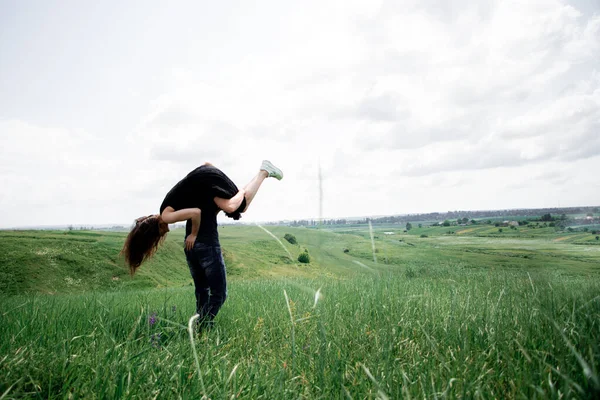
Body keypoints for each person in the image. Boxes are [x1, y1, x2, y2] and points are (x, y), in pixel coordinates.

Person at [121, 160, 283, 328]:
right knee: (218, 293)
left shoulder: (167, 215)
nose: (165, 233)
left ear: (155, 230)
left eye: (158, 235)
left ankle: (202, 325)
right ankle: (202, 325)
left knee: (203, 290)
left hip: (193, 246)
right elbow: (197, 210)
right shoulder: (188, 201)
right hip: (206, 241)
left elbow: (196, 213)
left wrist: (193, 234)